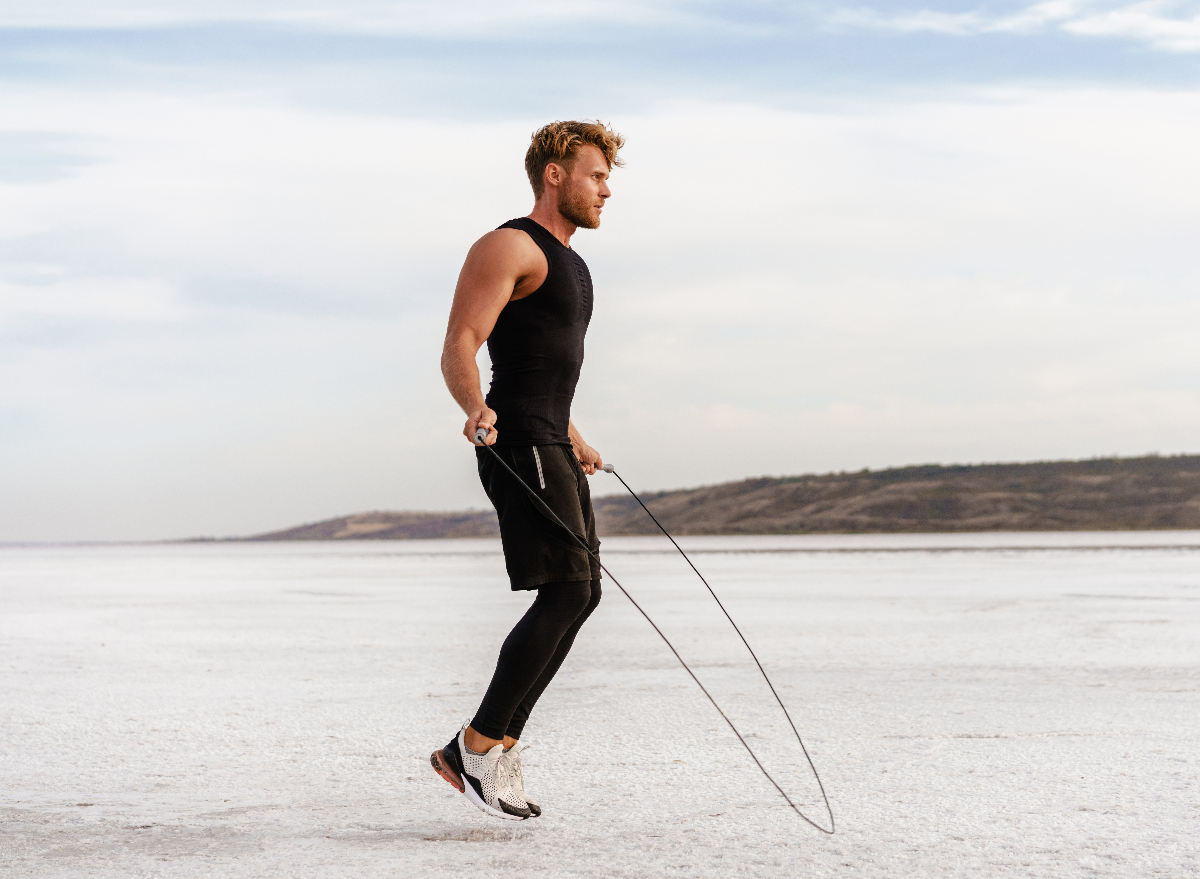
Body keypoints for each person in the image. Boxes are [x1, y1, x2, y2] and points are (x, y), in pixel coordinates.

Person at [429, 121, 624, 820]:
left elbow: (540, 366)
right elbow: (462, 341)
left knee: (583, 592)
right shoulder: (510, 245)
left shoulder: (572, 264)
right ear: (555, 174)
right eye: (597, 175)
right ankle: (474, 745)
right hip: (516, 446)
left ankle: (497, 741)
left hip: (550, 443)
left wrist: (575, 436)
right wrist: (474, 405)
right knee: (568, 591)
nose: (607, 189)